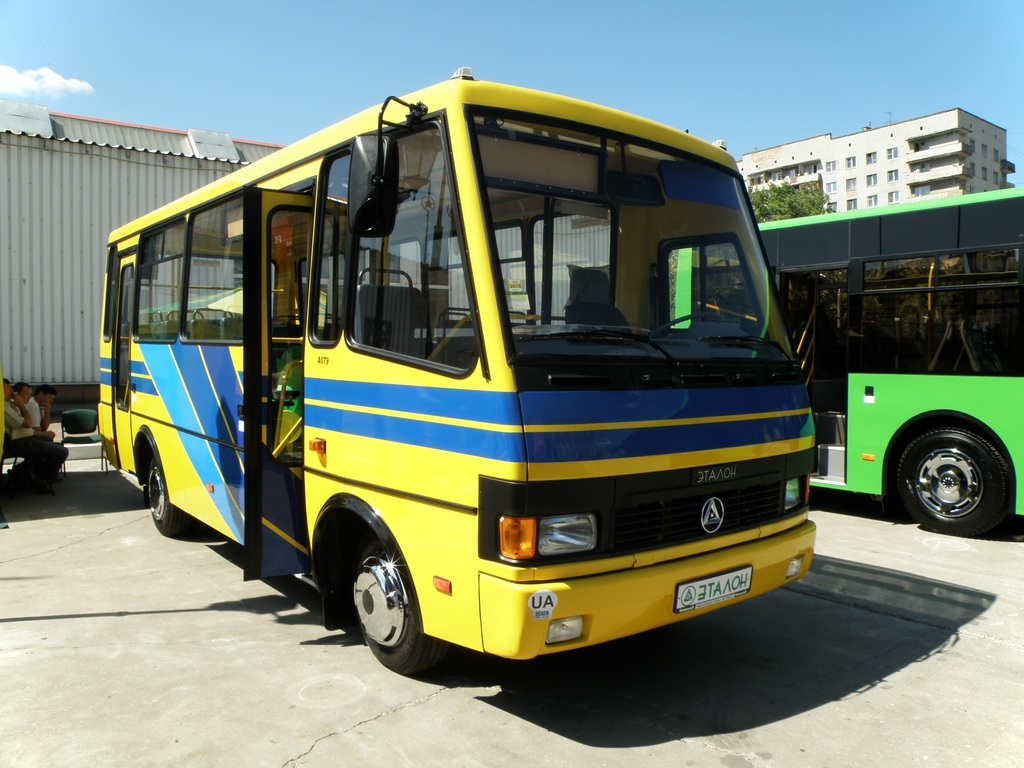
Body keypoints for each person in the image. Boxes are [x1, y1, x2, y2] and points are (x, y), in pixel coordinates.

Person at [4, 377, 48, 491]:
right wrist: (21, 405)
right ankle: (39, 479)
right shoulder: (7, 407)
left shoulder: (11, 404)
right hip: (20, 442)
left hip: (27, 437)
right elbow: (28, 424)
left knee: (47, 446)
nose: (11, 393)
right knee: (56, 451)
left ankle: (25, 474)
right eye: (7, 390)